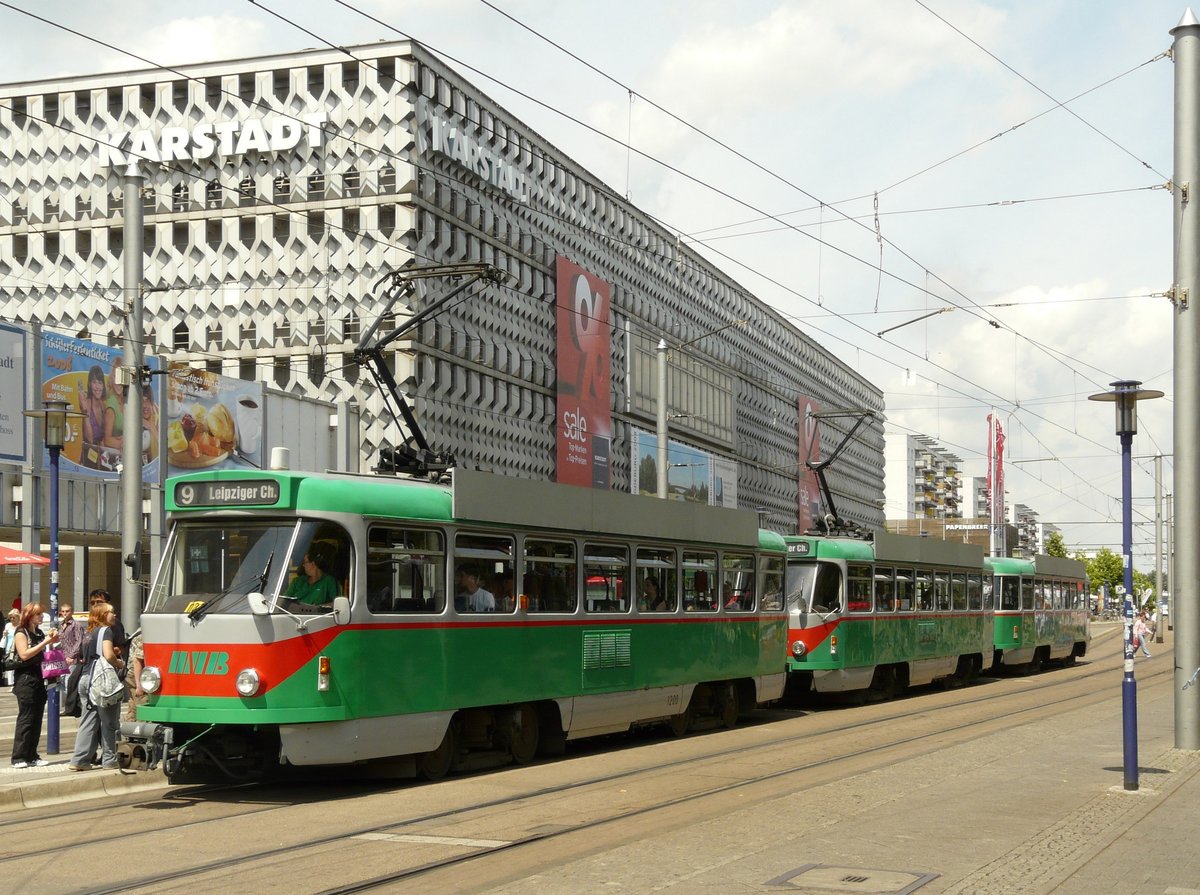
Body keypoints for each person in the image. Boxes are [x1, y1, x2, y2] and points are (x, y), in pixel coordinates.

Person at [68, 601, 126, 771]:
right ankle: (110, 759)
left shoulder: (88, 633)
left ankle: (80, 760)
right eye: (111, 612)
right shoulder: (105, 630)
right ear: (102, 615)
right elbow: (108, 654)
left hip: (86, 679)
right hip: (101, 681)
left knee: (88, 721)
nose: (114, 615)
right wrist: (120, 664)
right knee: (110, 722)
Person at [10, 602, 60, 768]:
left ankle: (32, 755)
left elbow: (42, 653)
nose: (41, 617)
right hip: (25, 680)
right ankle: (18, 757)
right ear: (29, 616)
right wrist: (45, 642)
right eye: (38, 614)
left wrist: (52, 641)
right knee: (26, 718)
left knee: (37, 718)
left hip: (39, 678)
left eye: (41, 614)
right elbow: (24, 654)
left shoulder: (38, 632)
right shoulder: (21, 632)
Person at [57, 602, 85, 717]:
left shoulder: (76, 624)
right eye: (63, 611)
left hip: (72, 659)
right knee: (63, 683)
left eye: (67, 611)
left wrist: (72, 655)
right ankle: (69, 707)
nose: (65, 613)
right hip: (62, 658)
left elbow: (79, 641)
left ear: (72, 612)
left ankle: (74, 707)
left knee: (70, 683)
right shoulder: (60, 625)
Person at [78, 364, 109, 467]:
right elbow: (90, 439)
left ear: (103, 385)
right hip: (87, 459)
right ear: (89, 384)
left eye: (100, 383)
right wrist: (84, 410)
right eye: (94, 382)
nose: (97, 387)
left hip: (102, 460)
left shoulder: (104, 406)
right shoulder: (86, 404)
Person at [103, 371, 125, 449]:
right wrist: (126, 444)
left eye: (121, 377)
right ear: (111, 379)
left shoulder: (125, 401)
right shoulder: (111, 404)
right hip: (114, 453)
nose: (118, 382)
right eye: (115, 377)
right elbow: (107, 440)